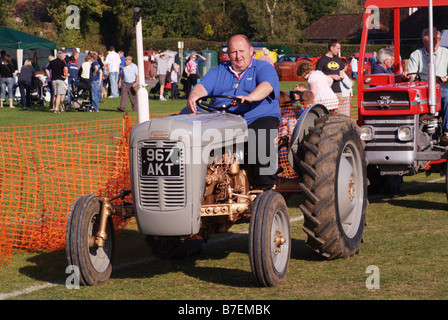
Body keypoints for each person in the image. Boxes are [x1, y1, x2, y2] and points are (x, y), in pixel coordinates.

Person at [187, 34, 280, 189]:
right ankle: (194, 185)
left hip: (255, 117)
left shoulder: (263, 68)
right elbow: (202, 86)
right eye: (233, 52)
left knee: (262, 134)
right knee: (188, 130)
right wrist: (194, 95)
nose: (238, 56)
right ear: (228, 54)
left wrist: (250, 97)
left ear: (251, 51)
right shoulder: (218, 71)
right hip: (222, 120)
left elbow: (267, 85)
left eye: (242, 51)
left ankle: (265, 187)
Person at [403, 28, 448, 145]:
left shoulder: (446, 53)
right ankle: (408, 131)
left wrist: (445, 78)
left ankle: (446, 132)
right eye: (432, 39)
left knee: (447, 98)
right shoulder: (416, 54)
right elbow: (412, 76)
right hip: (424, 90)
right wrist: (407, 76)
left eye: (437, 38)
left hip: (441, 88)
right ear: (424, 41)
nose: (436, 41)